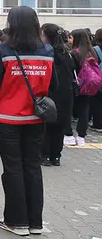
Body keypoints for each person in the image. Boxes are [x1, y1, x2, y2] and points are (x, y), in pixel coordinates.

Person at [0, 6, 53, 237]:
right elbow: (53, 84)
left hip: (7, 117)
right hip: (36, 117)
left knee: (13, 168)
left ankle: (16, 222)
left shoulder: (4, 49)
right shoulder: (47, 51)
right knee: (33, 166)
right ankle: (35, 222)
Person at [40, 24, 73, 166]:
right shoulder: (67, 54)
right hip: (66, 94)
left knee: (46, 125)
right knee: (59, 126)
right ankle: (56, 156)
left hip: (50, 92)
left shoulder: (47, 53)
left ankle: (45, 155)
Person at [69, 28, 99, 147]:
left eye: (71, 37)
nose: (69, 40)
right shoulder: (92, 52)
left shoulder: (74, 53)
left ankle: (69, 135)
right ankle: (81, 136)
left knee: (70, 109)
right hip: (89, 85)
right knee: (85, 110)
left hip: (76, 85)